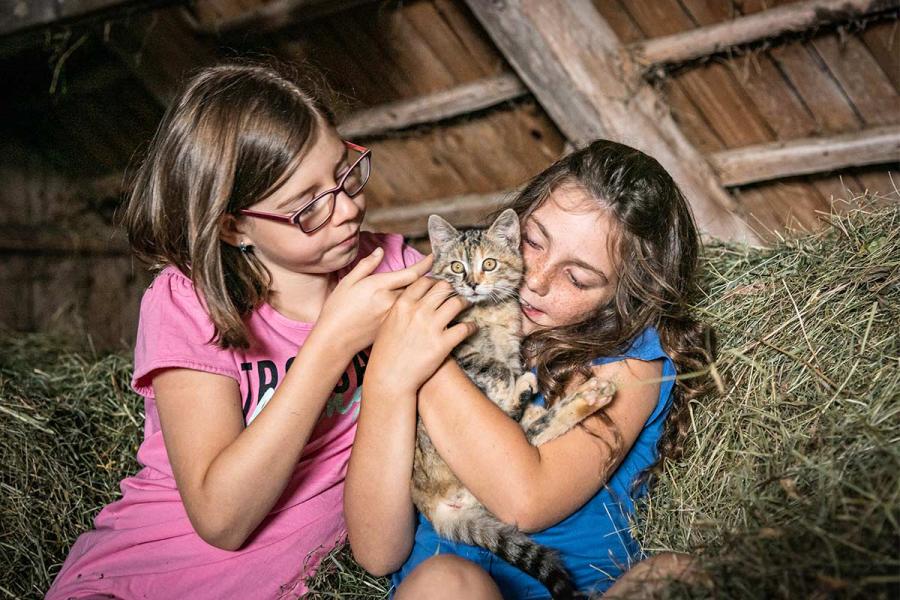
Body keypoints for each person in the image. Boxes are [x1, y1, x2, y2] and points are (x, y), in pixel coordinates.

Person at [45, 61, 431, 599]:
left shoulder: (392, 266)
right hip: (149, 575)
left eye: (345, 172)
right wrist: (332, 343)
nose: (346, 210)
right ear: (234, 226)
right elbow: (222, 520)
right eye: (307, 207)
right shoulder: (187, 303)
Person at [345, 140, 717, 598]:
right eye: (532, 241)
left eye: (577, 278)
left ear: (626, 297)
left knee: (673, 575)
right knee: (448, 583)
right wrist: (385, 380)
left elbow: (524, 500)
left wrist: (416, 351)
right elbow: (376, 552)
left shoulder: (633, 362)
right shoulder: (457, 313)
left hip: (571, 590)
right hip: (446, 583)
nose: (535, 279)